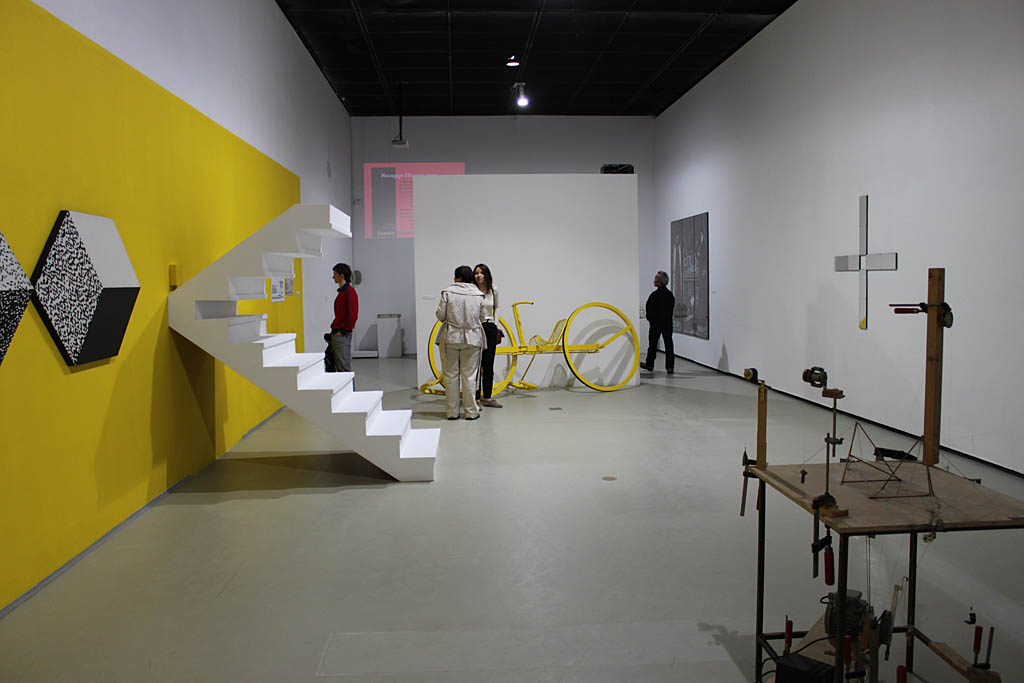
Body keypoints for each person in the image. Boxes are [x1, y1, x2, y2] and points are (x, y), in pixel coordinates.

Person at [436, 265, 485, 420]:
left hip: (451, 337)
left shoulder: (448, 292)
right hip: (473, 338)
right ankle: (471, 412)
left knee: (451, 376)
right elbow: (482, 318)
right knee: (469, 377)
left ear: (456, 278)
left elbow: (440, 316)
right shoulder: (478, 295)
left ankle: (452, 412)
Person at [473, 263, 503, 408]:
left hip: (490, 327)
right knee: (476, 364)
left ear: (486, 275)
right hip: (476, 328)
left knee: (489, 363)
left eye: (481, 273)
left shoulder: (493, 289)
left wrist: (495, 324)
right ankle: (476, 398)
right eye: (476, 273)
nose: (479, 275)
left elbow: (497, 307)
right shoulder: (472, 290)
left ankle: (488, 397)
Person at [640, 270, 674, 374]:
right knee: (669, 345)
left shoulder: (654, 295)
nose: (654, 280)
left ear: (660, 281)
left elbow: (649, 309)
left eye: (656, 279)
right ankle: (670, 367)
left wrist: (651, 319)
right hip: (667, 324)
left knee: (653, 344)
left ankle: (649, 364)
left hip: (656, 324)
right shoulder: (669, 295)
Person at [329, 263, 358, 373]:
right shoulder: (342, 292)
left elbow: (353, 315)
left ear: (341, 276)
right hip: (338, 333)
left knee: (344, 369)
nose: (333, 277)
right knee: (340, 366)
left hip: (342, 335)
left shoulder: (349, 292)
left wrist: (342, 331)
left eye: (335, 274)